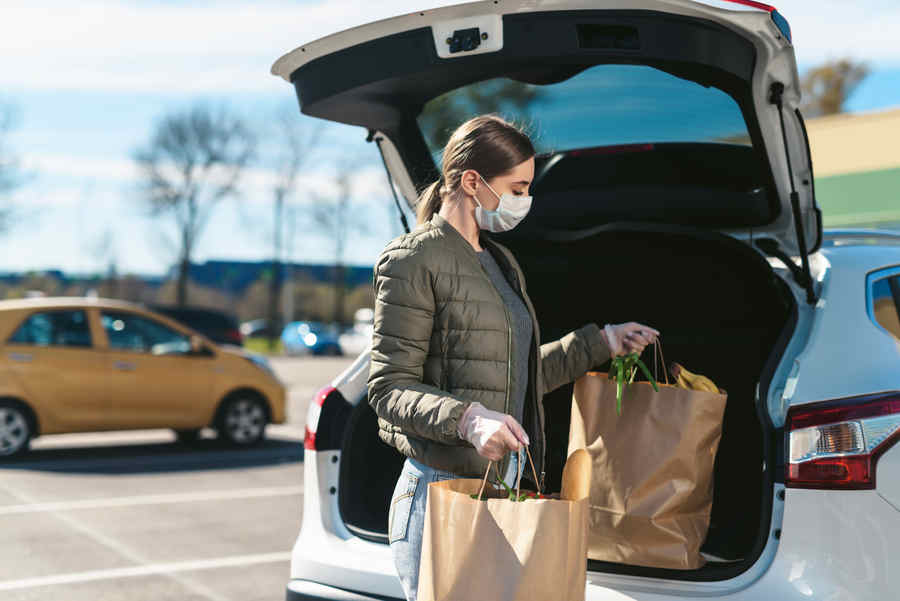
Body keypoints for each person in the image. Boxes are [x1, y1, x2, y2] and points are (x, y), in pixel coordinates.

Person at [367, 115, 660, 601]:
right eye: (517, 187)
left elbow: (518, 376)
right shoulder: (412, 259)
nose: (524, 201)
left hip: (501, 489)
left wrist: (602, 342)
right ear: (471, 181)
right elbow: (388, 387)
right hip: (440, 497)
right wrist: (469, 421)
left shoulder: (500, 262)